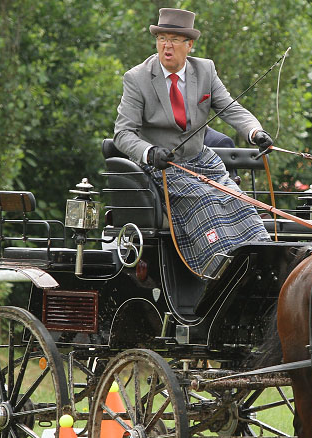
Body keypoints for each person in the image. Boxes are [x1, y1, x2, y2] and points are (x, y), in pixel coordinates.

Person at [113, 8, 274, 279]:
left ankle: (262, 266)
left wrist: (255, 132)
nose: (167, 45)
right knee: (207, 200)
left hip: (202, 160)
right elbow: (122, 134)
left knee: (240, 201)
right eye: (162, 38)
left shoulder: (205, 70)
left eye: (175, 39)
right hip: (164, 168)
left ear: (189, 45)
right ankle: (223, 275)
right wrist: (150, 152)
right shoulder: (137, 78)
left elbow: (231, 109)